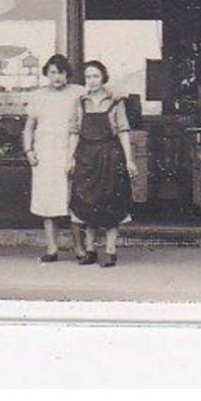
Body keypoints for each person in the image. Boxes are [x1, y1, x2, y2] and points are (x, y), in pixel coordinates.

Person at [68, 60, 138, 267]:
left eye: (96, 76)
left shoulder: (116, 101)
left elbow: (123, 131)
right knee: (88, 202)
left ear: (103, 78)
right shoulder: (80, 102)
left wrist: (129, 160)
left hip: (110, 156)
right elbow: (74, 132)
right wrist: (69, 157)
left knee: (111, 202)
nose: (92, 81)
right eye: (88, 77)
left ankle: (110, 250)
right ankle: (91, 250)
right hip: (86, 157)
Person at [22, 53, 81, 262]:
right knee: (47, 202)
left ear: (67, 74)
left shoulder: (78, 93)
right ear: (47, 74)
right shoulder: (38, 96)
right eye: (53, 72)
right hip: (44, 154)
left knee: (73, 202)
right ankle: (52, 248)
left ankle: (79, 248)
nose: (57, 77)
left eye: (61, 72)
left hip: (69, 153)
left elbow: (109, 92)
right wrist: (29, 152)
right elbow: (29, 128)